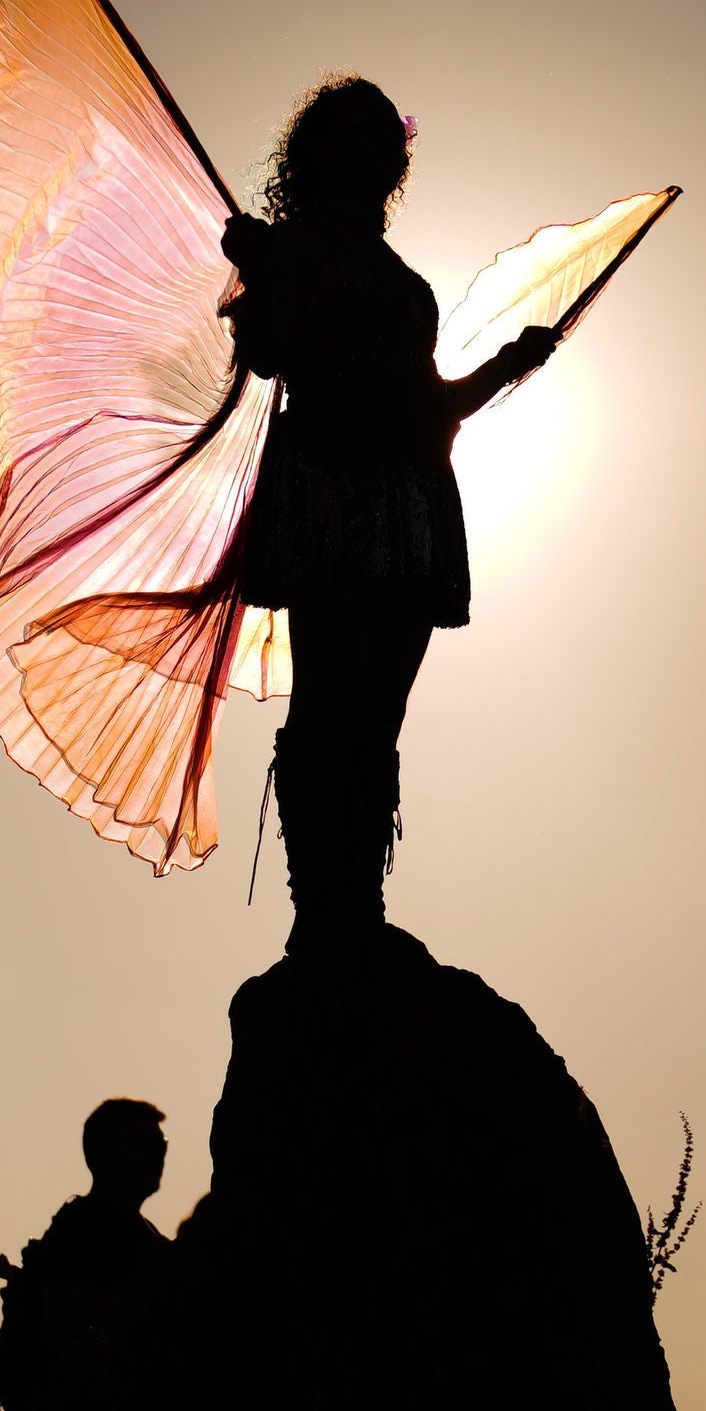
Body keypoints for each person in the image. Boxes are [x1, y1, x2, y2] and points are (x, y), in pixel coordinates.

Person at [219, 79, 563, 944]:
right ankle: (320, 910)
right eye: (365, 136)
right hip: (333, 483)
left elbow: (431, 404)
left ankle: (357, 908)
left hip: (407, 495)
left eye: (391, 139)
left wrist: (511, 364)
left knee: (379, 714)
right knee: (329, 702)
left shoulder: (403, 280)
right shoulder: (292, 249)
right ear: (323, 154)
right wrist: (260, 275)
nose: (385, 152)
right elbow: (264, 358)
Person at [0, 1099, 173, 1411]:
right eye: (143, 1145)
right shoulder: (83, 1229)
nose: (157, 1156)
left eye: (162, 1146)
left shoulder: (134, 1232)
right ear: (101, 1153)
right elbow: (64, 1324)